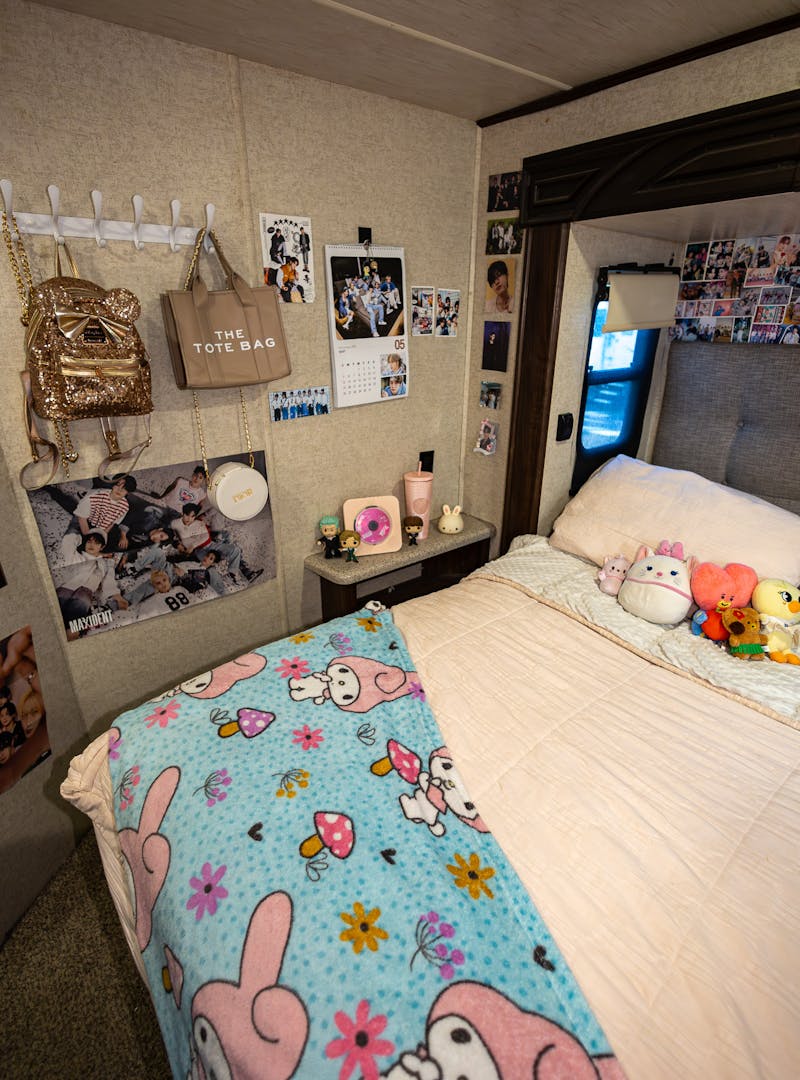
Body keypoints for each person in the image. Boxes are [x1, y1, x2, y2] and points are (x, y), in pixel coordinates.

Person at [55, 529, 129, 637]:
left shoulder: (105, 564)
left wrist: (118, 596)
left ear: (102, 547)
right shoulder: (76, 556)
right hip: (66, 588)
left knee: (71, 631)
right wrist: (82, 537)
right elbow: (68, 540)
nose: (91, 545)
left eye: (96, 543)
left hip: (84, 594)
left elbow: (109, 580)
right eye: (89, 541)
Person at [61, 474, 136, 562]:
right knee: (70, 539)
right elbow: (82, 518)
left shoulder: (125, 507)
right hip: (84, 519)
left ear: (128, 492)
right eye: (117, 485)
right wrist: (88, 538)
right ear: (113, 484)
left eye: (124, 488)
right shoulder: (93, 496)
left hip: (100, 526)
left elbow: (112, 523)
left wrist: (102, 535)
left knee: (101, 547)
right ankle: (52, 489)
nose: (120, 490)